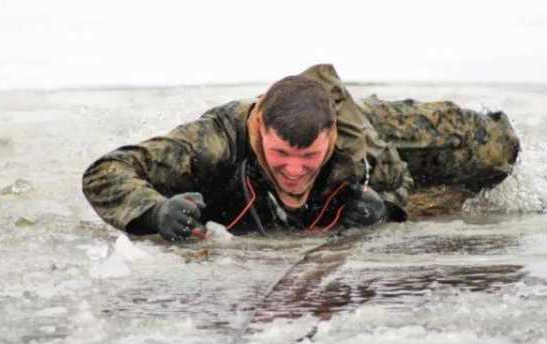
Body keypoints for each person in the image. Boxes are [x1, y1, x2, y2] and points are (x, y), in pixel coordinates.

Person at [82, 64, 519, 241]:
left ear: (331, 137)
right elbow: (106, 171)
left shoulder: (368, 135)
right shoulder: (218, 141)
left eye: (308, 157)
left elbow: (495, 143)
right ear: (260, 131)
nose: (293, 171)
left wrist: (388, 208)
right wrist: (156, 213)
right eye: (279, 154)